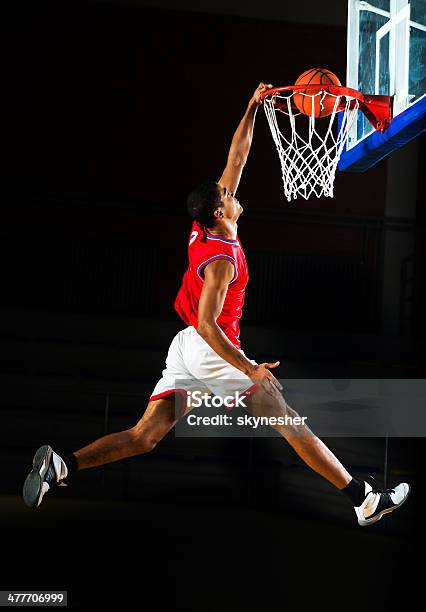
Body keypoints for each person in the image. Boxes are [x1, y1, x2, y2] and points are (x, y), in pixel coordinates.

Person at [23, 83, 410, 526]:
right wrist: (249, 369)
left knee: (145, 436)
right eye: (227, 195)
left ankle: (62, 465)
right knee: (289, 421)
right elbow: (210, 324)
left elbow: (237, 158)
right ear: (220, 212)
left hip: (185, 345)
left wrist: (251, 108)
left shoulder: (209, 226)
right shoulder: (222, 261)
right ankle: (363, 500)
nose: (233, 191)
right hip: (209, 346)